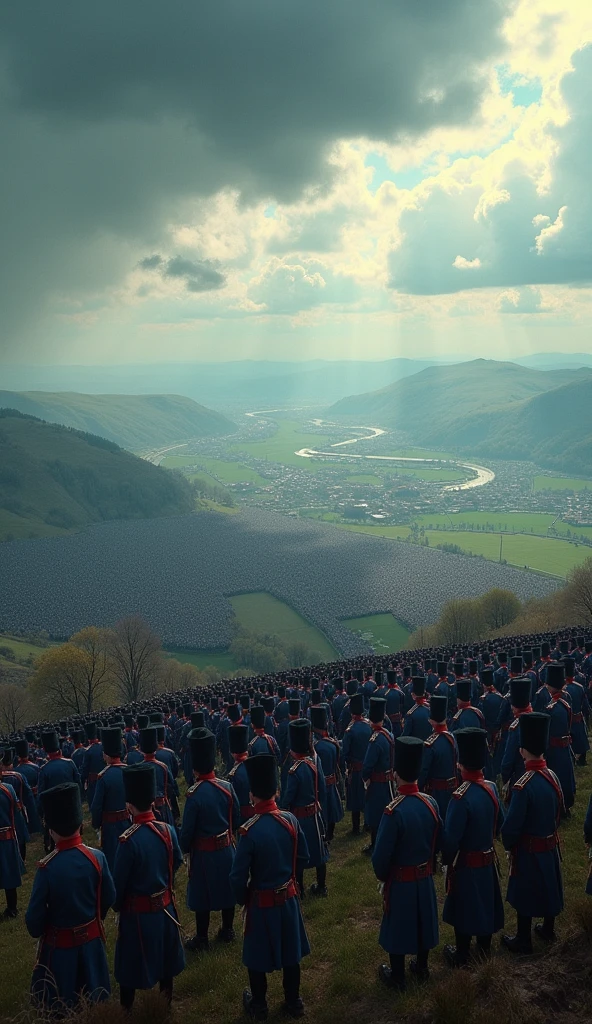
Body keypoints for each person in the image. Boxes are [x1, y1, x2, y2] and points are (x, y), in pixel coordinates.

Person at [230, 754, 310, 1020]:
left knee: (256, 957)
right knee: (291, 954)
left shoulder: (249, 832)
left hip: (262, 903)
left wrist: (244, 899)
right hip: (287, 897)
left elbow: (237, 878)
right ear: (276, 790)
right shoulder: (290, 820)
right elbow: (303, 858)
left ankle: (260, 1005)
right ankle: (293, 1001)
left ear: (252, 795)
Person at [25, 782, 115, 1011]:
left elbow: (34, 922)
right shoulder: (97, 858)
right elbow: (109, 897)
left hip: (60, 952)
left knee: (62, 1007)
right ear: (81, 824)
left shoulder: (47, 868)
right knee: (96, 1002)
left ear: (51, 830)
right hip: (92, 946)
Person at [113, 764, 185, 1010]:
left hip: (138, 914)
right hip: (165, 907)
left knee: (129, 966)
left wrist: (117, 904)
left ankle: (127, 1011)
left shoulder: (127, 840)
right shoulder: (168, 830)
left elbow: (119, 883)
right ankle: (164, 1005)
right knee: (166, 963)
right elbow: (177, 860)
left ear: (129, 806)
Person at [372, 736, 441, 993]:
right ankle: (422, 967)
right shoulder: (431, 803)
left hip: (401, 879)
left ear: (396, 774)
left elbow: (381, 857)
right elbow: (439, 839)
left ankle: (398, 975)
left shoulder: (393, 811)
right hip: (424, 875)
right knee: (424, 920)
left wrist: (383, 875)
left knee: (399, 926)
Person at [501, 712, 564, 953]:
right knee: (549, 885)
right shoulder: (553, 776)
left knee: (524, 894)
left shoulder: (523, 785)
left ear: (522, 750)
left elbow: (513, 824)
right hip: (549, 842)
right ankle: (548, 928)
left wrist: (509, 842)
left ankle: (523, 939)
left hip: (528, 848)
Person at [441, 728, 505, 967]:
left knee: (465, 909)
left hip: (466, 864)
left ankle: (462, 953)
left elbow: (451, 840)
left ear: (460, 764)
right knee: (485, 904)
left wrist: (446, 859)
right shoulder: (492, 788)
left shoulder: (460, 797)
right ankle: (485, 947)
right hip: (488, 859)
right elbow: (501, 824)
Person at [180, 727, 239, 951]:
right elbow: (237, 817)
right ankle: (227, 929)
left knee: (201, 895)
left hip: (203, 854)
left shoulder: (194, 796)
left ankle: (202, 937)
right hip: (225, 848)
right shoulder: (227, 787)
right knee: (227, 890)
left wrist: (185, 848)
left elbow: (186, 832)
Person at [281, 719, 329, 898]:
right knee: (320, 853)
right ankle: (322, 886)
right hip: (315, 815)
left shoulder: (294, 770)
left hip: (299, 818)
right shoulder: (314, 764)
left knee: (298, 854)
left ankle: (300, 889)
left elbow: (288, 797)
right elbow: (322, 789)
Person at [90, 726, 130, 872]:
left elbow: (97, 806)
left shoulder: (103, 776)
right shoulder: (128, 770)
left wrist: (96, 823)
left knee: (113, 860)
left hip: (110, 826)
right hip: (128, 820)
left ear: (106, 754)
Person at [37, 729, 81, 853]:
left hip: (54, 810)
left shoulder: (44, 769)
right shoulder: (69, 763)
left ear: (45, 749)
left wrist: (41, 813)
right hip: (71, 806)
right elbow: (78, 784)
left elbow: (41, 794)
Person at [361, 697, 395, 854]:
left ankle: (376, 845)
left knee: (376, 815)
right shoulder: (388, 734)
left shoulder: (375, 740)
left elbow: (368, 765)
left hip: (378, 782)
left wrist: (365, 777)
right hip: (388, 780)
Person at [419, 695, 458, 822]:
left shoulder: (430, 744)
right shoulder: (452, 738)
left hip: (436, 791)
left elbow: (424, 771)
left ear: (431, 720)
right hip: (453, 788)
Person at [543, 663, 576, 814]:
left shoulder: (552, 707)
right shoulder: (566, 697)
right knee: (566, 776)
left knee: (558, 777)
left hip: (555, 748)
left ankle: (560, 806)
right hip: (565, 745)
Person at [310, 705, 343, 843]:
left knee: (324, 810)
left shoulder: (316, 747)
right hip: (332, 780)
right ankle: (330, 832)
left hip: (321, 783)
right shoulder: (332, 743)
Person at [341, 692, 371, 835]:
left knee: (354, 798)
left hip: (355, 767)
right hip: (368, 766)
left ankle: (355, 827)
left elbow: (345, 752)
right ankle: (367, 823)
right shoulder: (369, 725)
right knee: (367, 795)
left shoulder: (350, 730)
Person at [0, 755, 25, 918]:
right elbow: (16, 813)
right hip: (7, 837)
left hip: (7, 836)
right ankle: (12, 908)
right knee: (9, 875)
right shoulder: (8, 788)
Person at [229, 724, 254, 824]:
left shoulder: (234, 774)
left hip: (243, 817)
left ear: (233, 753)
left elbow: (234, 804)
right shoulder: (254, 765)